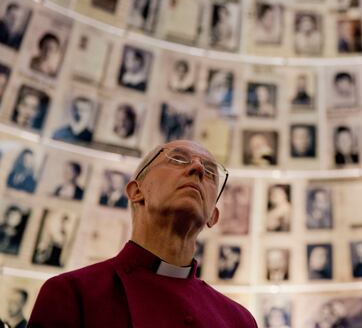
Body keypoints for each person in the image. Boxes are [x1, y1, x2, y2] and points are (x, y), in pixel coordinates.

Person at [29, 139, 257, 326]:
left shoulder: (239, 321)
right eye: (177, 159)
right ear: (136, 191)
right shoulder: (72, 294)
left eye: (209, 172)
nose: (197, 169)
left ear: (212, 217)